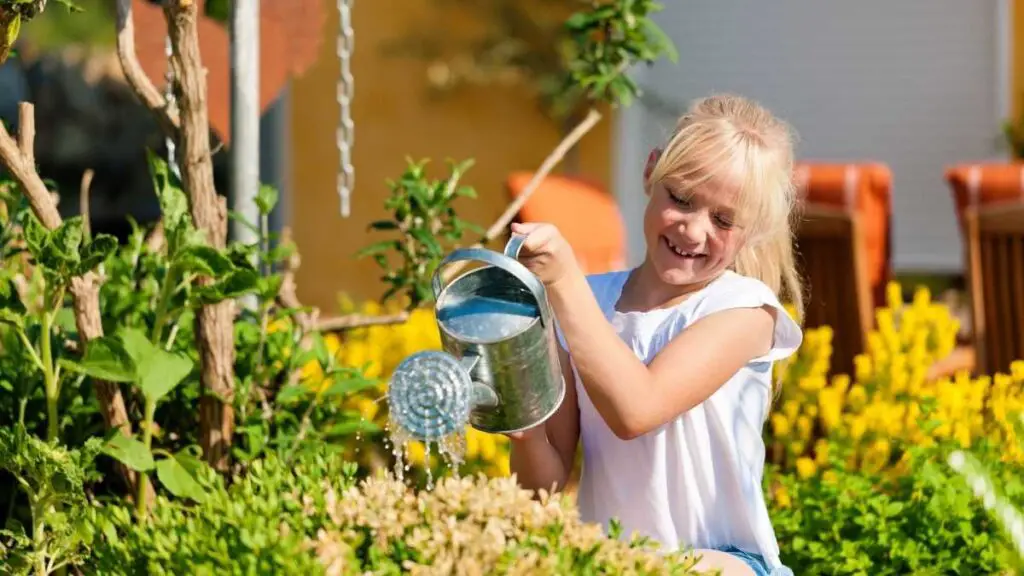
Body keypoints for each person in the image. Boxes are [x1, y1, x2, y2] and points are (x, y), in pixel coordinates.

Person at [506, 93, 804, 576]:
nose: (692, 230)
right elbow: (541, 488)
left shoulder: (746, 311)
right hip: (616, 564)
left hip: (728, 563)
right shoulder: (585, 304)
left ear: (754, 230)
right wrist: (522, 426)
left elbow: (636, 410)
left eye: (723, 220)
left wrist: (563, 284)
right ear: (651, 172)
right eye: (681, 199)